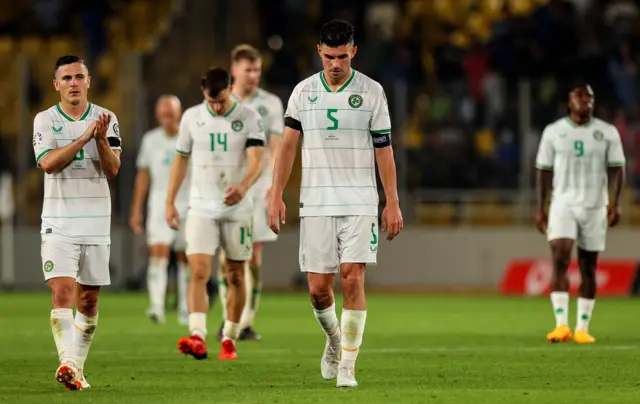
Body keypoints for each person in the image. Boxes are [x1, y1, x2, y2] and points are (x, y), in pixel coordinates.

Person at [268, 20, 403, 388]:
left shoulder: (373, 92)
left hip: (360, 201)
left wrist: (391, 201)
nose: (336, 64)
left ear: (353, 52)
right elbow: (288, 147)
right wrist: (275, 193)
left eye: (342, 56)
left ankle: (348, 367)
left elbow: (384, 150)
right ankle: (333, 340)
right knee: (318, 289)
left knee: (353, 277)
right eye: (329, 57)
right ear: (319, 52)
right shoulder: (302, 93)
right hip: (316, 202)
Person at [34, 55, 122, 390]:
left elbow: (112, 170)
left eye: (79, 77)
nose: (73, 83)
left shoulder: (107, 118)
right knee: (63, 290)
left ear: (88, 81)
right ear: (56, 84)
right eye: (67, 78)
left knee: (88, 300)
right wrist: (84, 138)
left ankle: (77, 371)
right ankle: (68, 362)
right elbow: (49, 164)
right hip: (59, 222)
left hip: (97, 222)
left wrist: (99, 138)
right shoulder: (45, 120)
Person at [166, 67, 265, 360]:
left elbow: (258, 160)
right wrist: (170, 201)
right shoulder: (191, 118)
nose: (217, 107)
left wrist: (244, 186)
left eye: (221, 100)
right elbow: (181, 161)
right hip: (201, 206)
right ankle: (197, 335)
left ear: (231, 89)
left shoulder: (249, 118)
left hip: (237, 208)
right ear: (203, 93)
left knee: (235, 274)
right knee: (198, 270)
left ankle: (230, 337)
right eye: (212, 102)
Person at [535, 82, 626, 344]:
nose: (585, 100)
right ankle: (561, 325)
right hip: (563, 204)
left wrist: (615, 203)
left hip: (595, 205)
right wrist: (541, 207)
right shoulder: (553, 132)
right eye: (579, 96)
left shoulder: (606, 132)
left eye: (589, 96)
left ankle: (582, 328)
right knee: (560, 254)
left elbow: (618, 168)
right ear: (569, 102)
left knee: (588, 265)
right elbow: (543, 170)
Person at [216, 44, 284, 341]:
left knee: (252, 255)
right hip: (226, 186)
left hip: (259, 185)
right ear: (235, 70)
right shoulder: (220, 101)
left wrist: (275, 186)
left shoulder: (270, 103)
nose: (253, 75)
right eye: (248, 69)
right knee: (227, 256)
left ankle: (246, 322)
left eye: (257, 69)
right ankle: (228, 319)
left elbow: (278, 146)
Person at [130, 95, 190, 325]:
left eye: (171, 114)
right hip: (158, 205)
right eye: (164, 114)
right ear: (158, 115)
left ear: (179, 113)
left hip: (187, 204)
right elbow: (143, 176)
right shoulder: (150, 140)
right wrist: (136, 209)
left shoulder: (189, 136)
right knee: (158, 253)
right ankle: (157, 306)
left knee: (186, 256)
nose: (168, 118)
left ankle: (185, 307)